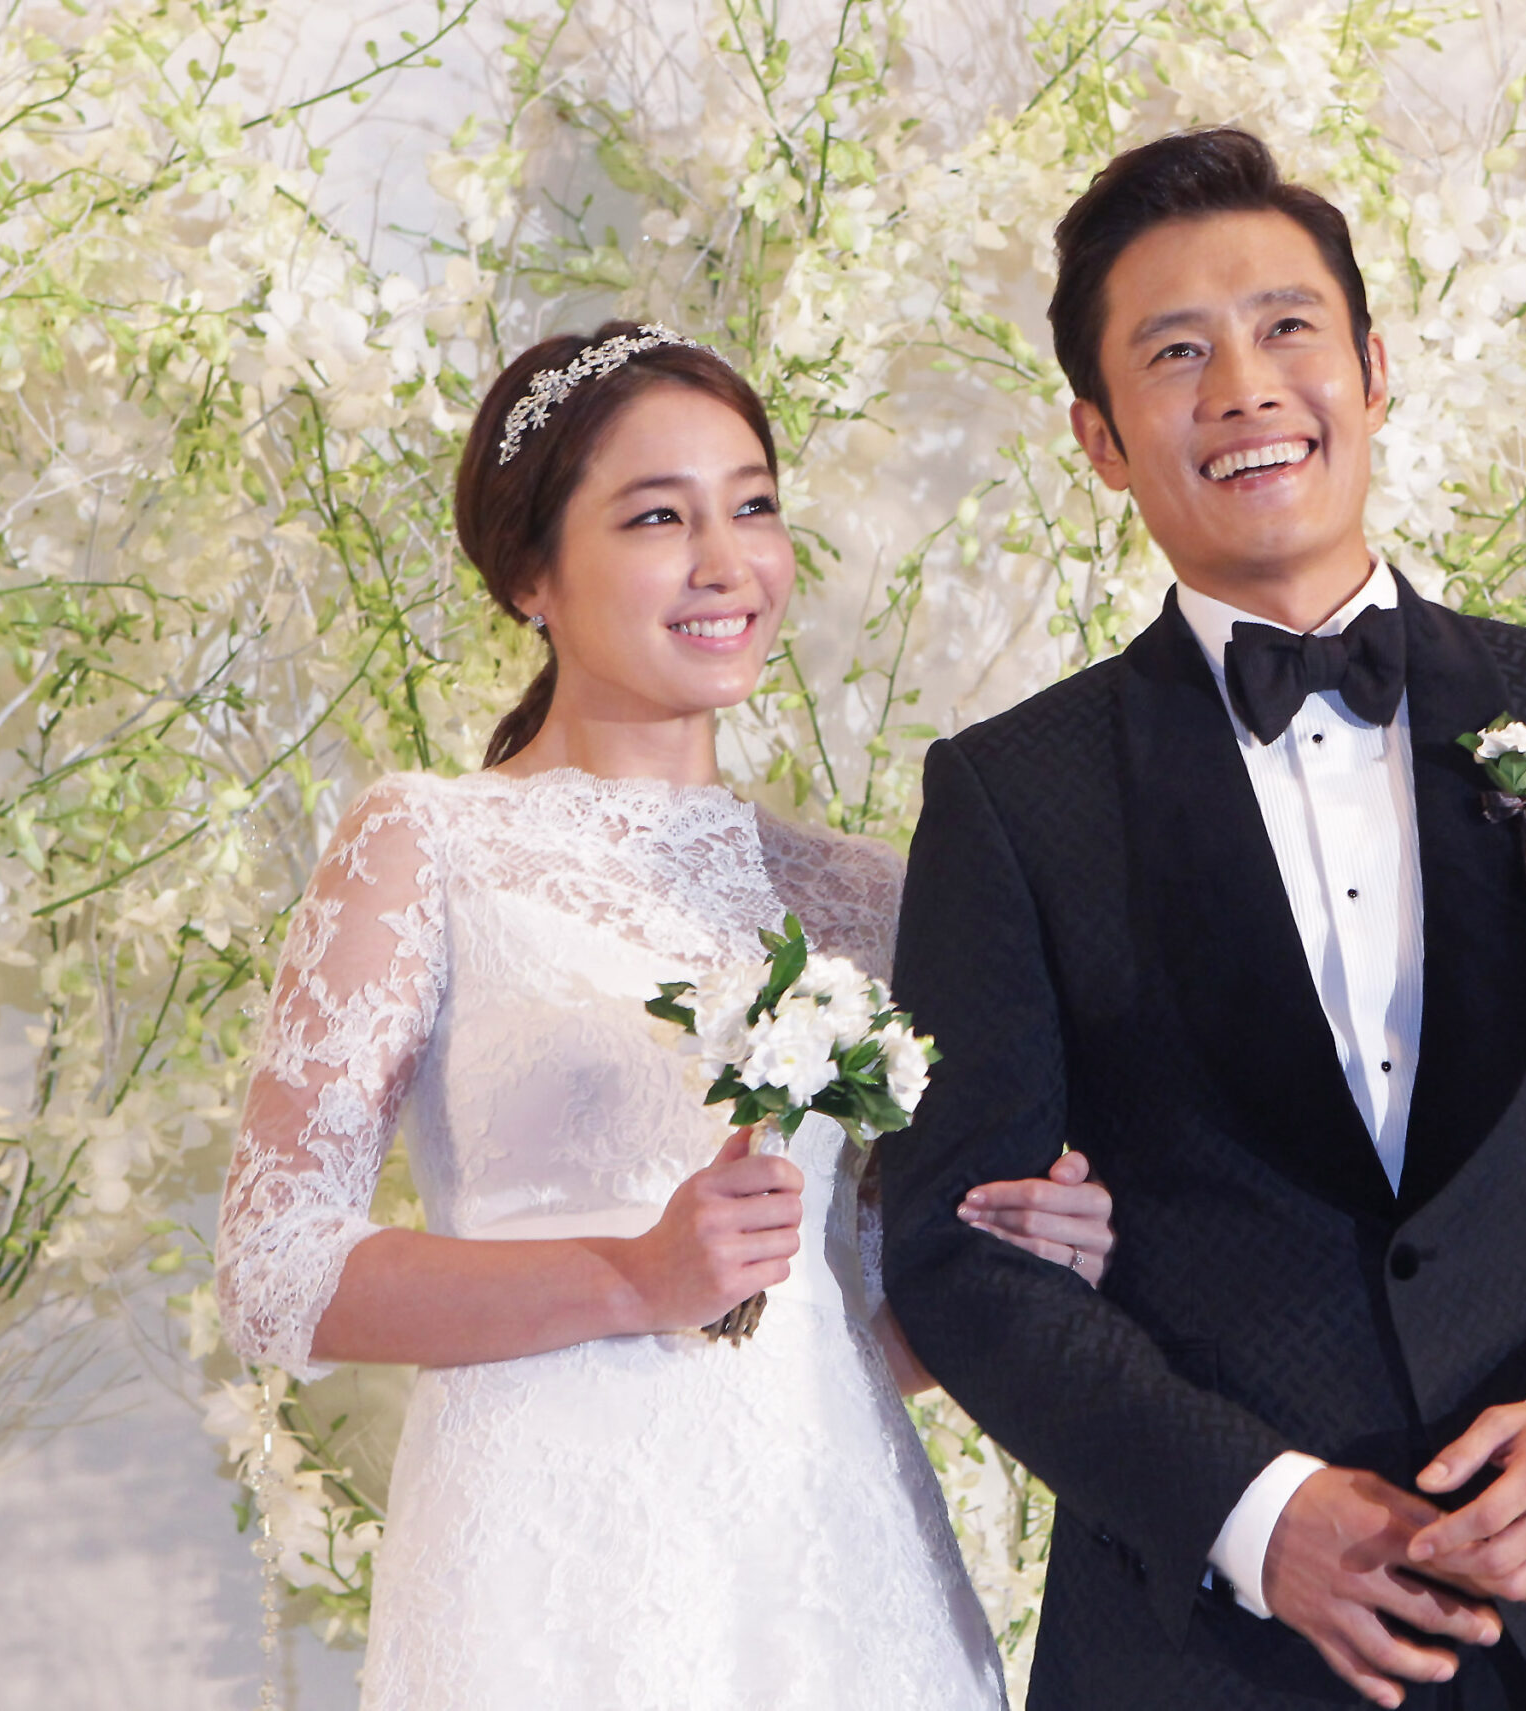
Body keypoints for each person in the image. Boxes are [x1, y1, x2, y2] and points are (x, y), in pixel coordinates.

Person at [881, 129, 1526, 1710]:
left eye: (1287, 328)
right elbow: (961, 1256)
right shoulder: (1011, 797)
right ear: (1102, 440)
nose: (1246, 387)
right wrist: (1259, 1517)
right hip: (1214, 1649)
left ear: (1374, 370)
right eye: (1175, 353)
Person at [215, 322, 1116, 1710]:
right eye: (656, 517)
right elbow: (275, 1271)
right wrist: (634, 1276)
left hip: (831, 1567)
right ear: (530, 575)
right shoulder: (429, 841)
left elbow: (839, 1313)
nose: (726, 563)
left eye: (752, 505)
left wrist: (1009, 1260)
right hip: (544, 1576)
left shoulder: (867, 893)